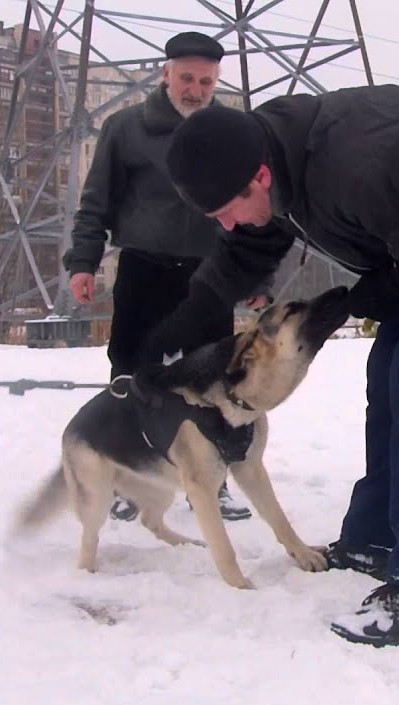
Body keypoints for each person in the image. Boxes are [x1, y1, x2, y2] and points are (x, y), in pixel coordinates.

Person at [145, 84, 399, 647]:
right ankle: (376, 538)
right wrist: (190, 319)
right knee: (389, 374)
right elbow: (253, 240)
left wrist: (382, 290)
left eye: (227, 211)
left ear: (259, 178)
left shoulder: (361, 166)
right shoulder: (265, 152)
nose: (229, 225)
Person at [62, 31, 259, 524]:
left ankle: (212, 481)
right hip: (145, 270)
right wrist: (83, 262)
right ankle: (128, 477)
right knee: (132, 374)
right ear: (166, 73)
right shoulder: (126, 128)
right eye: (187, 78)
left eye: (206, 81)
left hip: (209, 274)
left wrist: (255, 277)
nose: (195, 89)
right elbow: (96, 202)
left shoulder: (230, 131)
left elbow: (258, 212)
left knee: (215, 380)